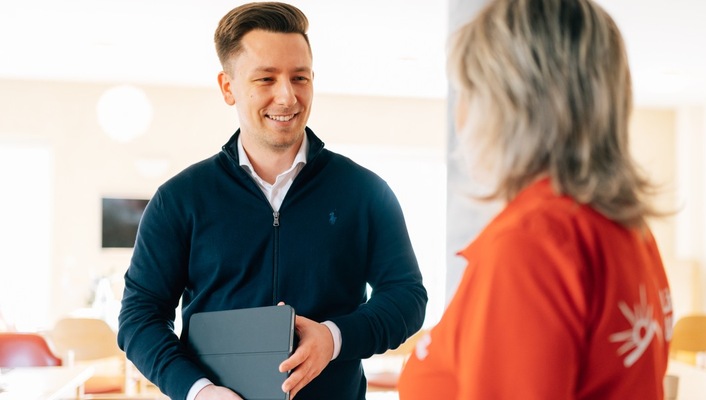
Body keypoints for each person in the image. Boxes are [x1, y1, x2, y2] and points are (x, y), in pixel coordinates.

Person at [116, 3, 427, 400]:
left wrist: (334, 338)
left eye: (300, 78)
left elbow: (407, 297)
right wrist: (198, 391)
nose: (287, 96)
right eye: (266, 79)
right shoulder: (178, 199)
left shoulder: (365, 192)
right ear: (228, 87)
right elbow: (139, 318)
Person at [397, 0, 672, 398]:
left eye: (470, 93)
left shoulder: (531, 243)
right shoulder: (628, 229)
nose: (460, 118)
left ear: (511, 105)